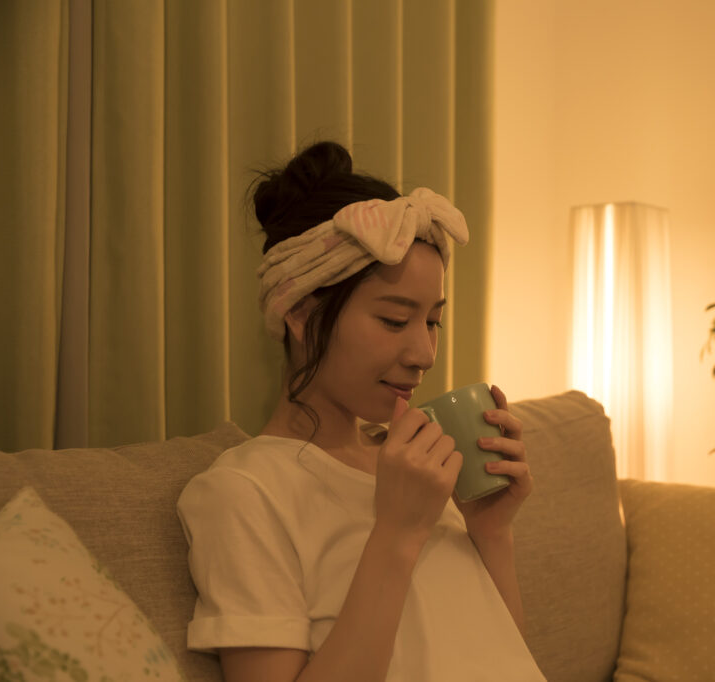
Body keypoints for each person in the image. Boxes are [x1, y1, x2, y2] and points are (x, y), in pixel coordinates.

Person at [176, 141, 546, 682]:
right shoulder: (245, 493)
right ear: (301, 316)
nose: (424, 354)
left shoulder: (414, 461)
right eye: (395, 320)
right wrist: (396, 534)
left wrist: (491, 531)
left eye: (433, 322)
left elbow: (502, 659)